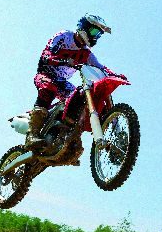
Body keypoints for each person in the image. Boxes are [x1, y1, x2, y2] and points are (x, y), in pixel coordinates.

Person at [25, 13, 116, 150]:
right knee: (48, 89)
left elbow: (100, 67)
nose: (95, 37)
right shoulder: (64, 36)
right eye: (94, 32)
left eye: (98, 35)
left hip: (62, 82)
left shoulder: (87, 53)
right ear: (84, 27)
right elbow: (47, 55)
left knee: (80, 98)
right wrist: (64, 61)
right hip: (46, 73)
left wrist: (113, 75)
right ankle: (32, 134)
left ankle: (66, 135)